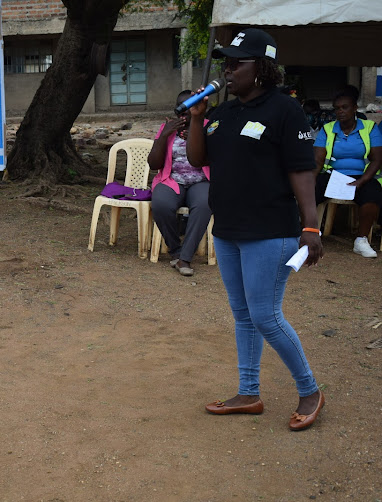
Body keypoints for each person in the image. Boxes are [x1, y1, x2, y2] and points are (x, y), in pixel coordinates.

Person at [185, 28, 324, 431]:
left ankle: (310, 389)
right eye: (225, 62)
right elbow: (197, 159)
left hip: (271, 231)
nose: (228, 70)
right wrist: (197, 117)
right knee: (243, 314)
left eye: (236, 63)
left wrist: (311, 227)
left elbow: (302, 171)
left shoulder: (285, 110)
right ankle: (248, 393)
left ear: (261, 68)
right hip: (228, 229)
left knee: (265, 314)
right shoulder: (222, 113)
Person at [147, 90, 212, 276]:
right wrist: (165, 135)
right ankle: (175, 250)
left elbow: (212, 157)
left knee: (204, 204)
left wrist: (194, 135)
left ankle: (185, 257)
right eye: (180, 111)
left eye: (188, 110)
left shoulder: (208, 127)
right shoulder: (168, 128)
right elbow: (153, 164)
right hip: (171, 179)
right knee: (160, 204)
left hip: (201, 180)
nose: (183, 115)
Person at [313, 86, 382, 258]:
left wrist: (362, 181)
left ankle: (361, 240)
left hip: (363, 176)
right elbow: (318, 160)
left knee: (372, 196)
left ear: (355, 109)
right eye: (337, 108)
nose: (340, 111)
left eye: (345, 107)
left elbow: (377, 159)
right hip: (333, 176)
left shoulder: (369, 127)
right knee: (309, 191)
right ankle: (311, 234)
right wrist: (310, 180)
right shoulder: (328, 129)